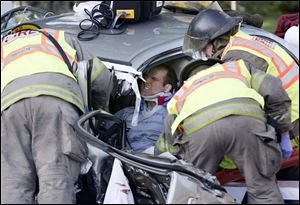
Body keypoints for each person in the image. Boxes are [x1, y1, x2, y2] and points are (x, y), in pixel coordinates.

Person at [1, 23, 115, 204]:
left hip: (10, 106)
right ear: (39, 29)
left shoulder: (3, 46)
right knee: (55, 177)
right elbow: (101, 79)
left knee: (12, 182)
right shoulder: (60, 37)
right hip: (56, 103)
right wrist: (101, 113)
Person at [155, 59, 291, 203]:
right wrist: (283, 130)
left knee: (196, 192)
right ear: (215, 66)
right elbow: (273, 88)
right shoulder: (236, 68)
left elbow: (166, 146)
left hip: (200, 132)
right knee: (263, 190)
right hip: (246, 122)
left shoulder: (181, 92)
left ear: (187, 78)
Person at [182, 9, 299, 161]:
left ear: (216, 41)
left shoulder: (238, 58)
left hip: (292, 115)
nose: (203, 52)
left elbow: (242, 103)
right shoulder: (239, 40)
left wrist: (282, 133)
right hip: (288, 105)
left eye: (204, 47)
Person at [115, 64, 178, 152]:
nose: (146, 81)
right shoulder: (126, 113)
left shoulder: (172, 116)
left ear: (167, 88)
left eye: (153, 79)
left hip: (150, 164)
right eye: (145, 77)